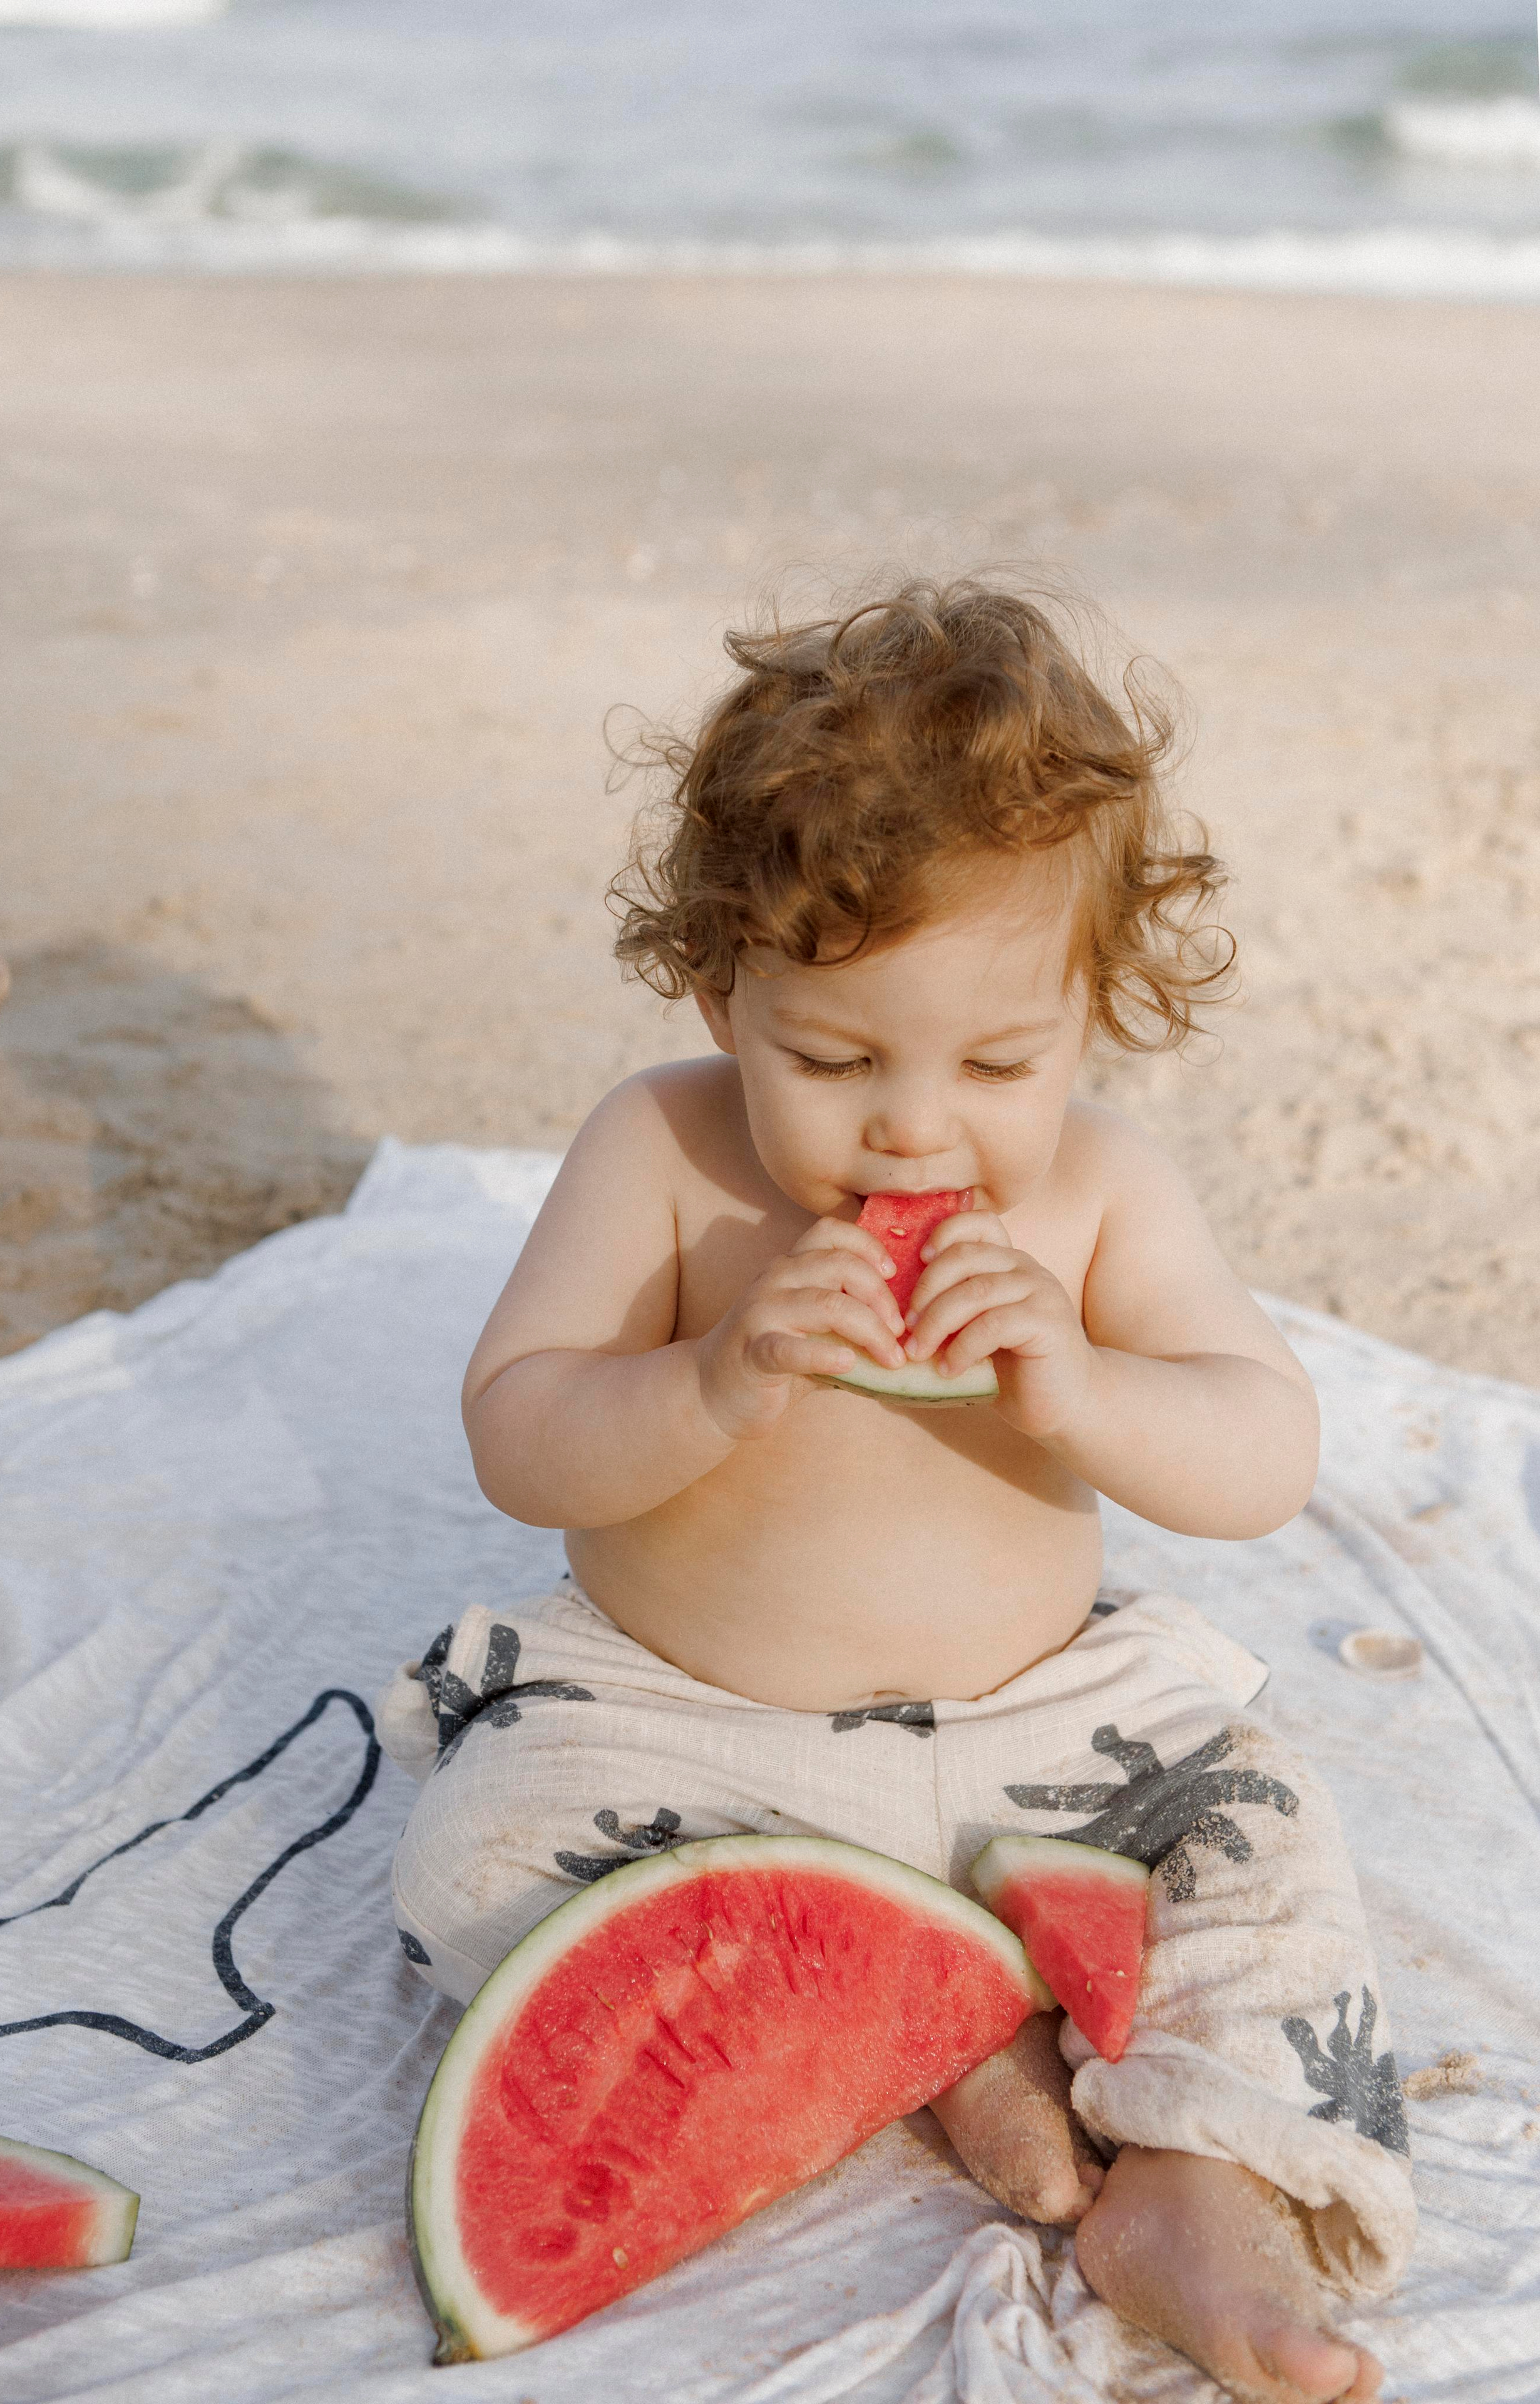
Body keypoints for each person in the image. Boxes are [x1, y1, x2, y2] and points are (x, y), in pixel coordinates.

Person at [379, 581, 1414, 2403]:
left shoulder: (1098, 1194)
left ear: (1093, 1014)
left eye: (1000, 1063)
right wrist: (710, 1381)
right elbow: (519, 1426)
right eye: (836, 1061)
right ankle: (949, 2037)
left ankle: (1189, 2185)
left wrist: (1084, 1386)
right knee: (467, 1856)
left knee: (1276, 1843)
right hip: (682, 1724)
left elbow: (1265, 1452)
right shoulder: (666, 1153)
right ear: (723, 992)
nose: (919, 1127)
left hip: (1053, 1726)